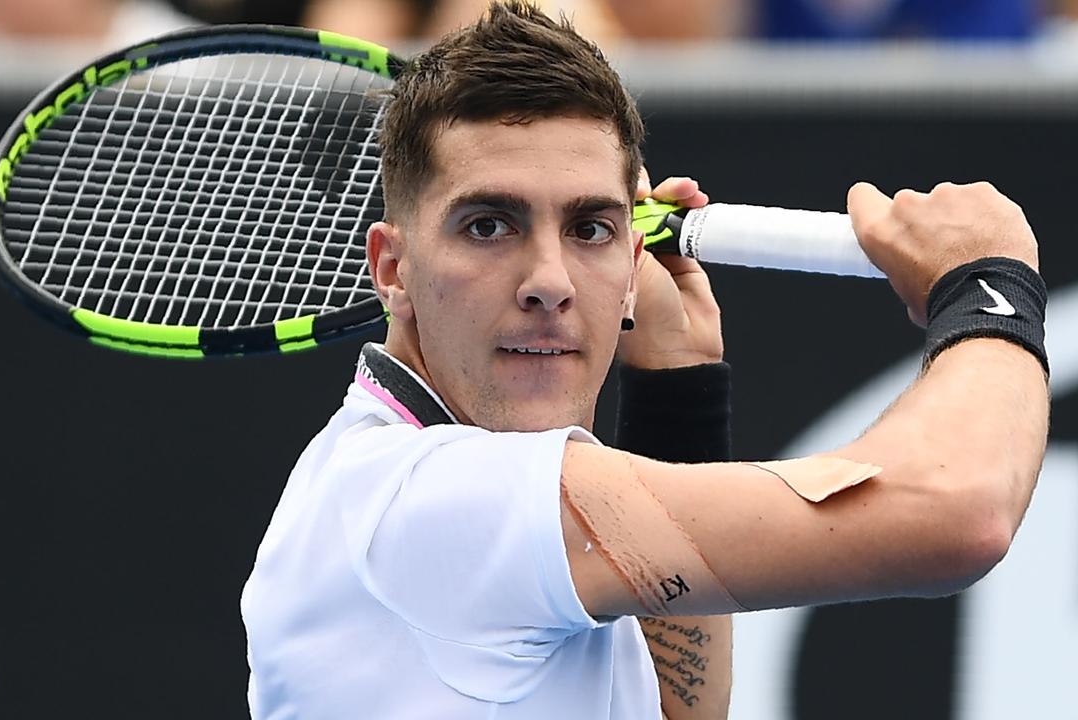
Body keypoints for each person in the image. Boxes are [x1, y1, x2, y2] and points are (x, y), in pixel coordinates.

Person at [240, 2, 1050, 718]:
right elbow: (955, 512)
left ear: (633, 263)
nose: (549, 281)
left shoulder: (426, 488)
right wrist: (989, 286)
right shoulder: (431, 497)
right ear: (393, 268)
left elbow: (670, 708)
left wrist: (678, 381)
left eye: (590, 228)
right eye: (489, 225)